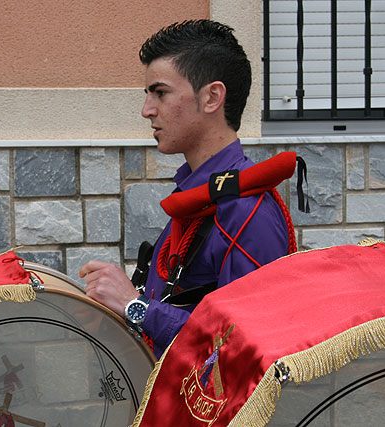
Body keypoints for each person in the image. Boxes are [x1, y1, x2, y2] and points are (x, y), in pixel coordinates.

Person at [79, 19, 292, 358]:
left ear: (211, 98)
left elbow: (241, 348)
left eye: (160, 93)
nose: (147, 110)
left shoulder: (245, 211)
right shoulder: (200, 195)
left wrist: (135, 307)